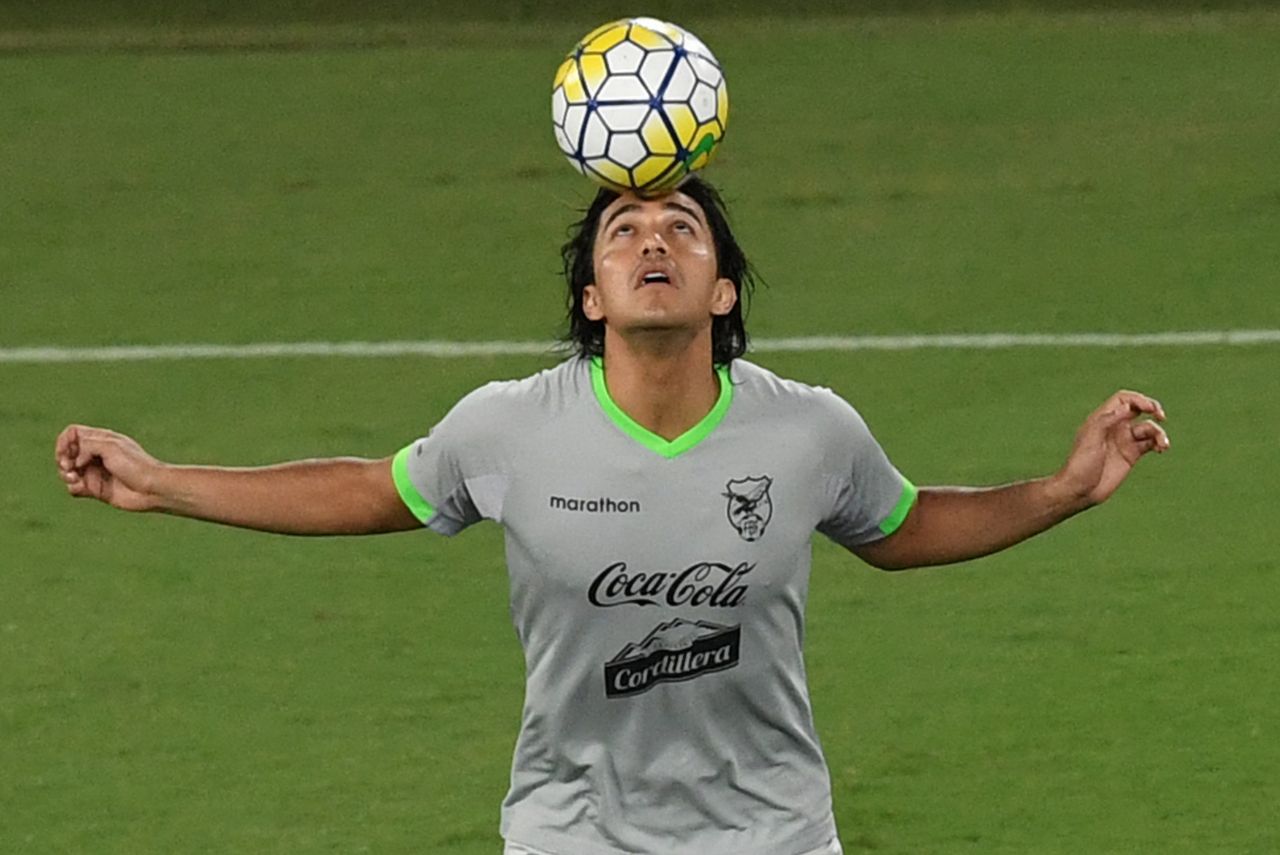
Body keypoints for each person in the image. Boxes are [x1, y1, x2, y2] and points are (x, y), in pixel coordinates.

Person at [54, 175, 1169, 855]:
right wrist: (162, 482)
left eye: (681, 229)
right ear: (589, 295)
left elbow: (904, 528)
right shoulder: (509, 426)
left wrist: (1064, 491)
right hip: (570, 835)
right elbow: (364, 488)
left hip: (771, 835)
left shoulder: (807, 431)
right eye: (623, 231)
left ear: (722, 288)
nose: (651, 244)